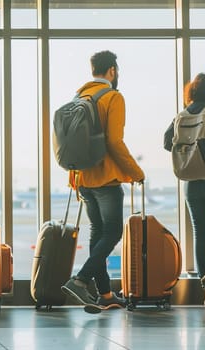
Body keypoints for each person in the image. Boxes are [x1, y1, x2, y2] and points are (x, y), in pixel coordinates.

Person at [61, 51, 145, 310]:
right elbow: (114, 141)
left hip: (82, 178)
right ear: (112, 71)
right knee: (113, 231)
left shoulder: (79, 97)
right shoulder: (112, 97)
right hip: (106, 179)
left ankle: (106, 295)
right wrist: (136, 172)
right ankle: (81, 279)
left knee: (98, 233)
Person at [163, 72, 205, 308]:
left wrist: (190, 153)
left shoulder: (183, 113)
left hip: (190, 181)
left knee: (201, 233)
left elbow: (167, 141)